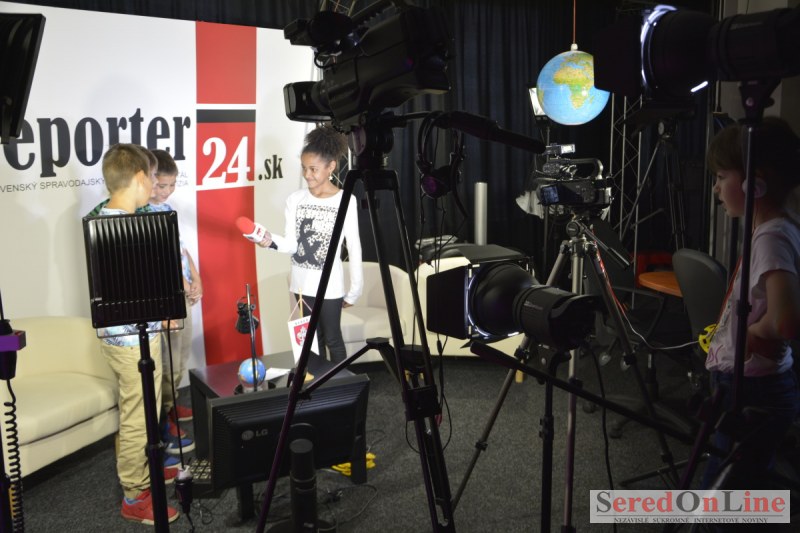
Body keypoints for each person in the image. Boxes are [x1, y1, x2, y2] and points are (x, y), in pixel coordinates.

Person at [701, 116, 800, 493]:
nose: (715, 188)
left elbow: (786, 320)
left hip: (754, 387)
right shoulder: (775, 229)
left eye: (720, 177)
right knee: (743, 484)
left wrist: (752, 333)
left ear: (753, 183)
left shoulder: (772, 237)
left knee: (723, 491)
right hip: (753, 382)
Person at [92, 143, 180, 524]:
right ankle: (134, 493)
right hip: (129, 341)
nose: (156, 185)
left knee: (147, 409)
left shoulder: (118, 220)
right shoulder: (114, 227)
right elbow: (121, 293)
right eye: (154, 178)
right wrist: (160, 315)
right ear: (141, 178)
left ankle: (149, 469)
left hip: (138, 336)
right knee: (136, 416)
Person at [251, 125, 362, 364]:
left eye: (313, 169)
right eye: (304, 168)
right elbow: (292, 244)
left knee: (333, 339)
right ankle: (317, 384)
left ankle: (341, 383)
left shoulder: (345, 200)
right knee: (311, 341)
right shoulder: (295, 200)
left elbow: (354, 247)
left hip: (330, 286)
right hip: (301, 285)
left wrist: (355, 290)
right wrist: (269, 241)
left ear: (331, 167)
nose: (307, 175)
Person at [149, 149, 201, 452]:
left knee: (180, 356)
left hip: (182, 295)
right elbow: (159, 259)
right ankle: (163, 417)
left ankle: (170, 405)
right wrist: (180, 283)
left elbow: (179, 250)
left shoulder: (167, 210)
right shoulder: (142, 212)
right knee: (166, 361)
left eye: (171, 185)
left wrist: (196, 276)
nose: (166, 191)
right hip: (166, 298)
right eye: (161, 185)